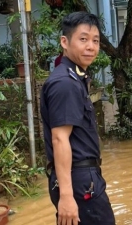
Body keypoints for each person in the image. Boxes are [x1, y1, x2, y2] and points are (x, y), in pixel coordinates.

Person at [40, 12, 115, 225]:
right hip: (79, 181)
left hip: (80, 179)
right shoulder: (65, 83)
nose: (90, 46)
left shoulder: (74, 78)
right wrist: (66, 196)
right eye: (83, 39)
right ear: (65, 42)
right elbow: (60, 139)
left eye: (95, 41)